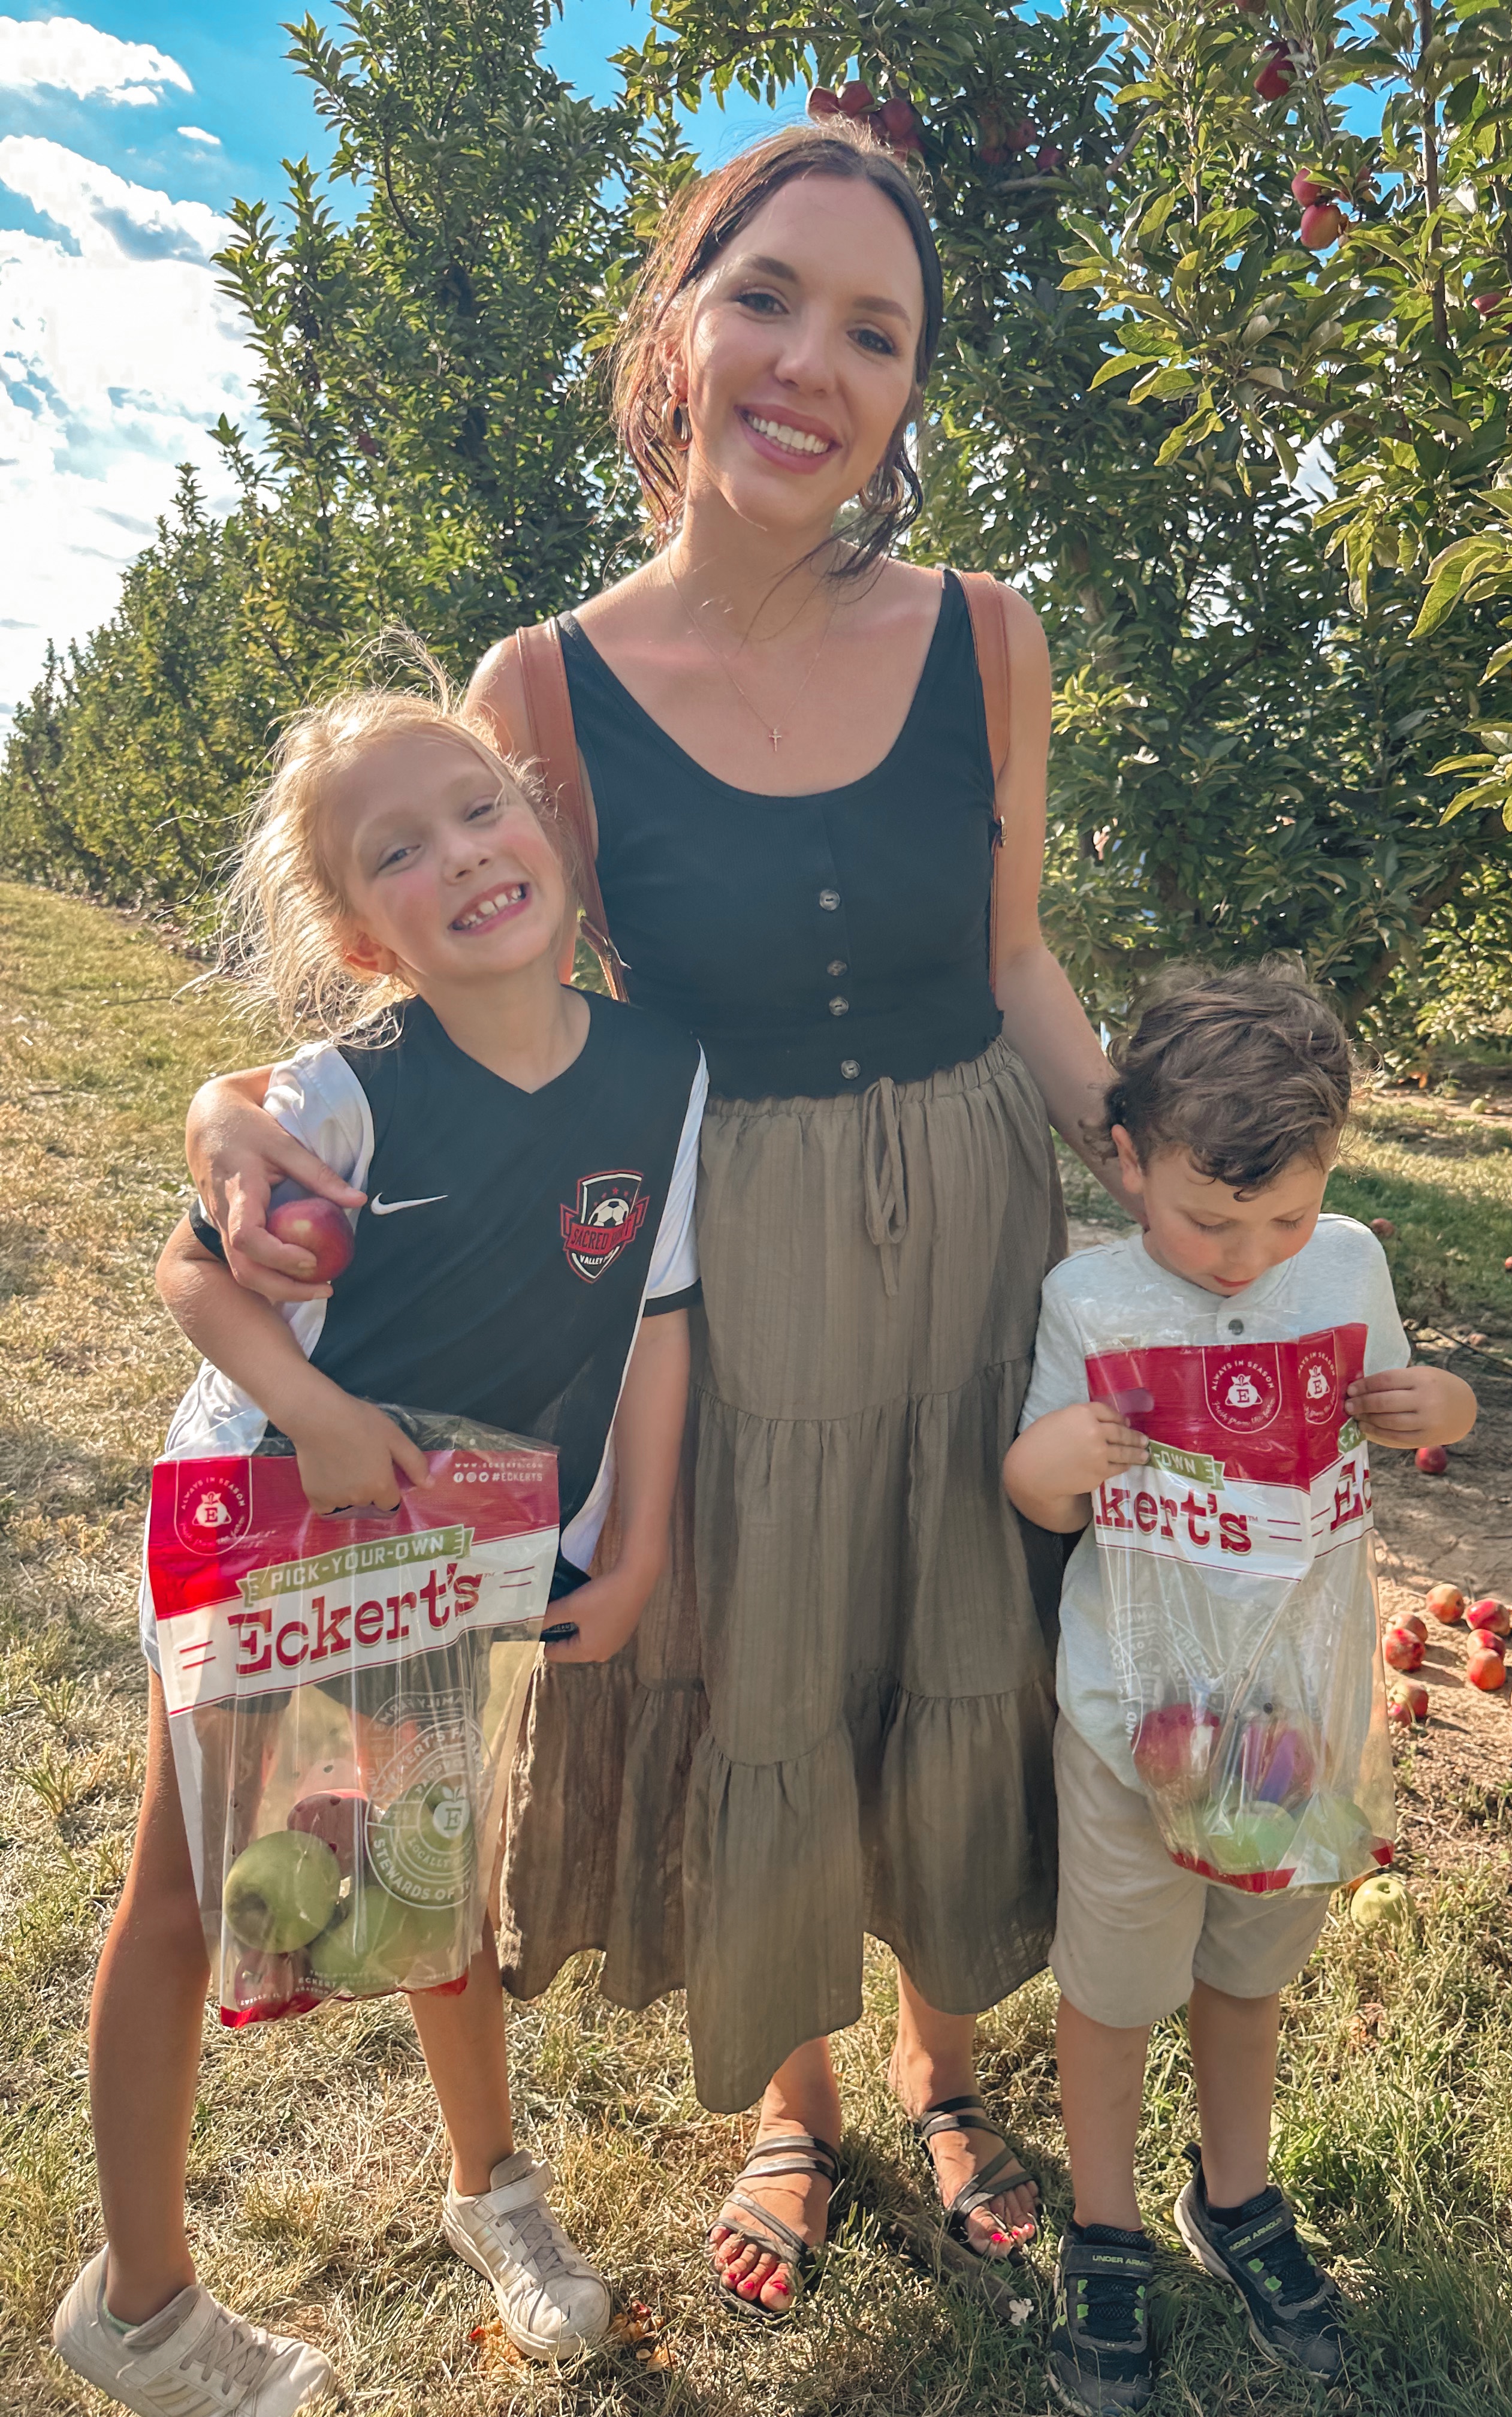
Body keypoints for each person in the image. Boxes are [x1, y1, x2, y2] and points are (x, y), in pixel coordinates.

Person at [180, 119, 1128, 2319]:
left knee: (943, 1622)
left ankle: (945, 2062)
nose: (813, 362)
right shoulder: (543, 690)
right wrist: (244, 1106)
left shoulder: (991, 637)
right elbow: (448, 984)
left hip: (968, 1209)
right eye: (770, 297)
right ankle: (794, 2098)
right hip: (728, 1240)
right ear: (679, 330)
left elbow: (1015, 957)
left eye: (874, 333)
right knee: (759, 1650)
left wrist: (1170, 1187)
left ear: (906, 394)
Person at [55, 668, 705, 2415]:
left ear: (549, 825)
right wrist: (319, 1415)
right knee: (188, 1894)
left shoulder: (662, 1071)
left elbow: (661, 1311)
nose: (465, 855)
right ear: (359, 934)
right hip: (271, 1522)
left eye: (482, 806)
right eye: (398, 850)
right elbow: (197, 1267)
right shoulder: (344, 1097)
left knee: (433, 1858)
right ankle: (139, 2303)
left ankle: (492, 2189)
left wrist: (629, 1542)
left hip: (455, 1546)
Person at [1005, 967, 1477, 2413]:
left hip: (1292, 1721)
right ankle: (1104, 2226)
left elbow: (1400, 1409)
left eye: (1281, 1217)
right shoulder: (1089, 1296)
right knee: (1116, 1986)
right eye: (1211, 1219)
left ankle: (1238, 2195)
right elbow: (1034, 1490)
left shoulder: (1343, 1268)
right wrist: (1062, 1461)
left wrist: (1439, 1405)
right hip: (1134, 1717)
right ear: (1129, 1156)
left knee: (1246, 1974)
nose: (1245, 1254)